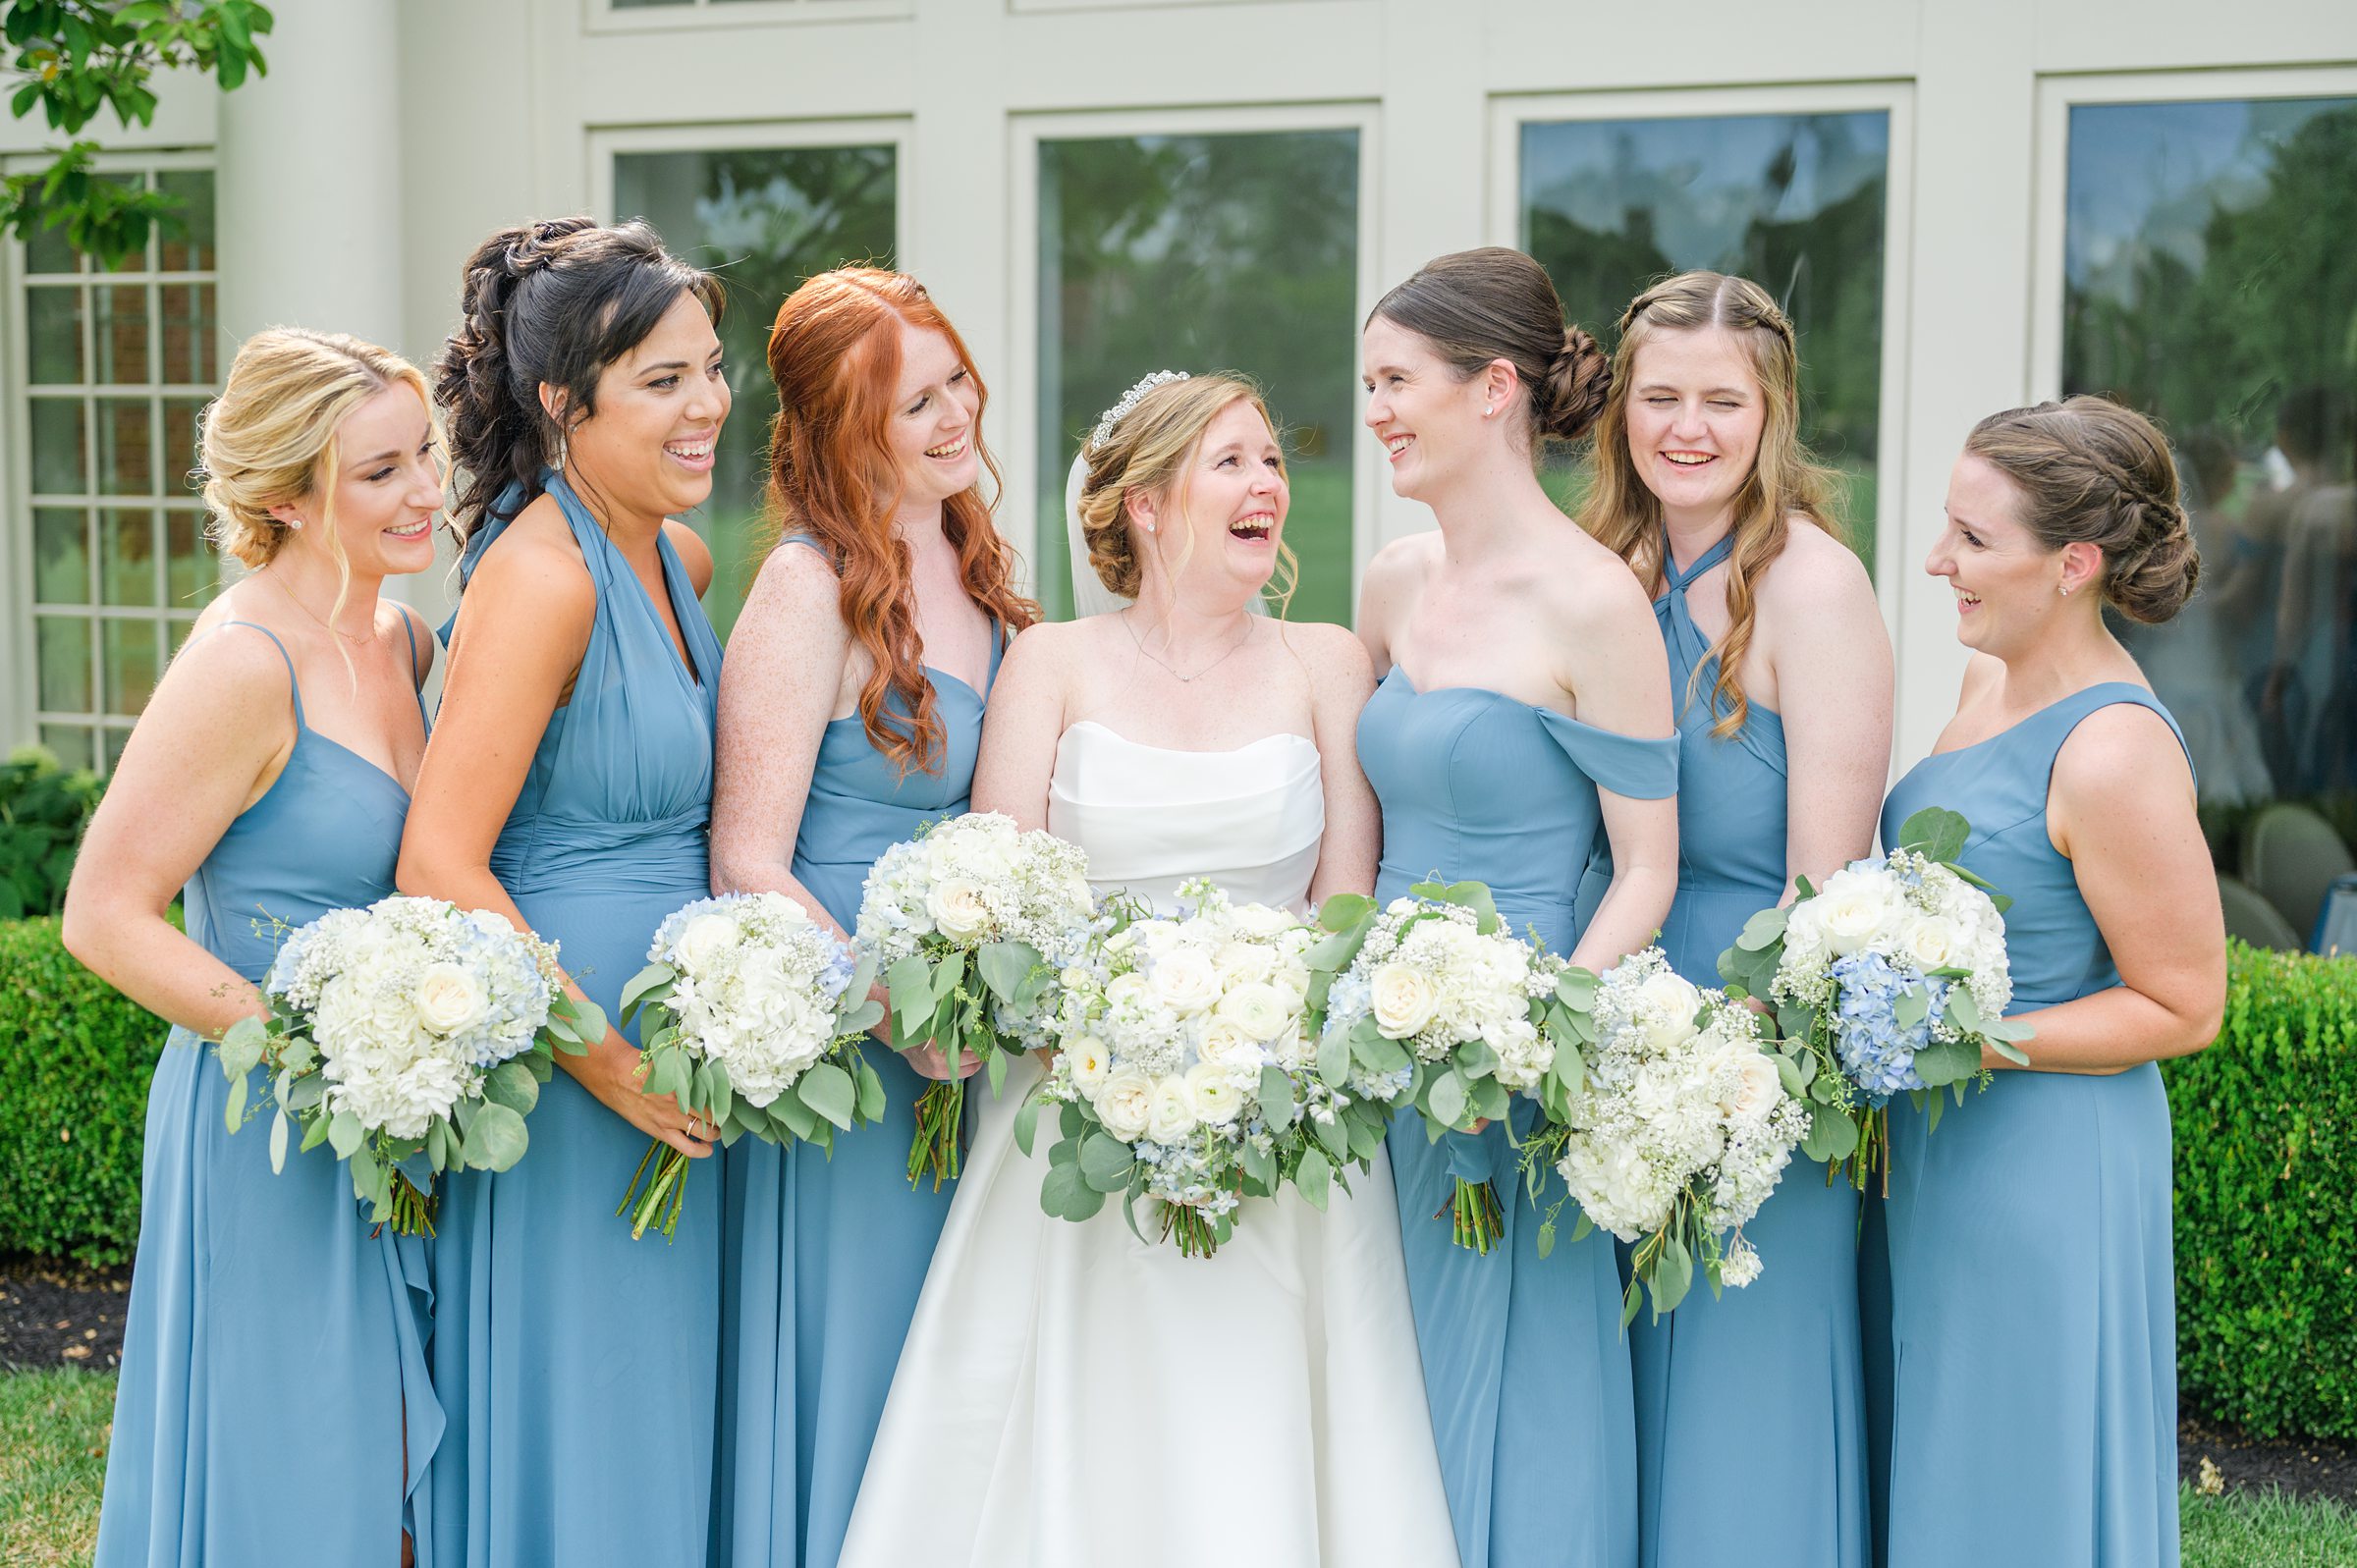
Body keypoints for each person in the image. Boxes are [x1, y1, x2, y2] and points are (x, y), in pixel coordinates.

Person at [836, 371, 1460, 1567]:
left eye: (1273, 459)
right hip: (1074, 1103)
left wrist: (1254, 1045)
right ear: (1144, 505)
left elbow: (1344, 897)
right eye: (1231, 461)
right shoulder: (1052, 662)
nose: (1267, 483)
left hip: (1283, 1118)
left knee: (1265, 1430)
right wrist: (1107, 1046)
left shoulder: (1325, 660)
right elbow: (1005, 886)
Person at [66, 328, 444, 1566]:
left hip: (410, 1107)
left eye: (426, 455)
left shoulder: (405, 643)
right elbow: (106, 913)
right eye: (380, 471)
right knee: (298, 1464)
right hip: (273, 1122)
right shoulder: (244, 662)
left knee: (395, 1471)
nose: (425, 492)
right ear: (285, 495)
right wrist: (317, 1056)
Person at [398, 217, 729, 1568]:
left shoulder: (681, 559)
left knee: (659, 1408)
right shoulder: (542, 580)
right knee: (589, 1411)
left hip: (680, 1054)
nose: (707, 405)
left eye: (712, 369)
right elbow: (440, 859)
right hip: (573, 1064)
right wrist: (600, 1057)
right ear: (559, 403)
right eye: (662, 380)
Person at [704, 267, 1036, 1568]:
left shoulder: (969, 554)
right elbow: (748, 856)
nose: (958, 416)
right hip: (859, 1057)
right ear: (848, 430)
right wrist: (893, 1014)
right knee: (869, 1363)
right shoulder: (808, 587)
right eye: (918, 402)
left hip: (975, 1048)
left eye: (958, 378)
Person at [1356, 246, 1678, 1568]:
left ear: (1493, 388)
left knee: (1507, 1362)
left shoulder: (1598, 602)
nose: (1374, 409)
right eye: (1367, 381)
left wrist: (1535, 1032)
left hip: (1513, 1056)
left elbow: (1647, 867)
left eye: (1395, 380)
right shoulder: (1389, 580)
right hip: (1371, 1043)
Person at [1873, 395, 2226, 1568]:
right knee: (1944, 1453)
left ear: (2073, 563)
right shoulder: (1988, 685)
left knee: (2016, 1464)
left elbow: (2185, 1003)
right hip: (1942, 1142)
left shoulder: (2113, 748)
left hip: (2047, 1162)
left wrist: (1974, 1040)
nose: (1939, 561)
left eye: (1973, 540)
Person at [1576, 271, 1890, 1568]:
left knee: (1741, 1372)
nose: (1687, 428)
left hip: (1748, 1023)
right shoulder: (1593, 568)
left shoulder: (1814, 587)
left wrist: (1727, 1077)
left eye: (1722, 400)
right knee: (1611, 1369)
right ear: (1621, 414)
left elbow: (1823, 885)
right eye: (1660, 397)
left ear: (1774, 413)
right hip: (1599, 1000)